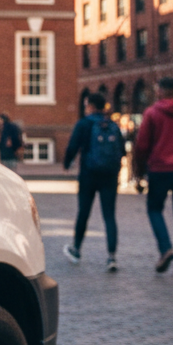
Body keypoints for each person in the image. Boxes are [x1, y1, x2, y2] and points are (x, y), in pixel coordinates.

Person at [133, 77, 173, 276]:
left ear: (161, 90)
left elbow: (142, 145)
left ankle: (166, 248)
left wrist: (139, 172)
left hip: (160, 169)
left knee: (154, 209)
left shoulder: (152, 113)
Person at [62, 92, 126, 272]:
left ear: (90, 105)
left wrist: (67, 163)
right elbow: (122, 150)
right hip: (110, 176)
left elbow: (73, 145)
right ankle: (112, 257)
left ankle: (76, 249)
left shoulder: (84, 124)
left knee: (84, 212)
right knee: (109, 215)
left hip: (89, 174)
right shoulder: (112, 125)